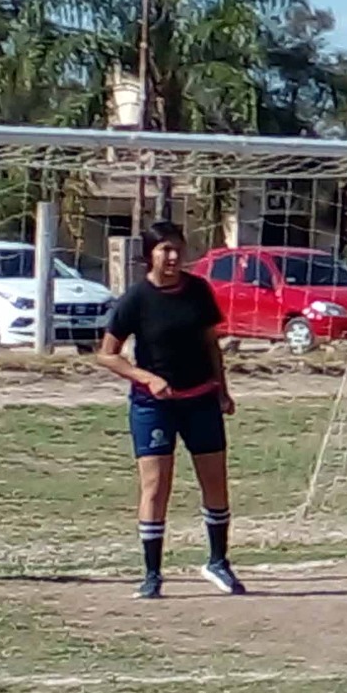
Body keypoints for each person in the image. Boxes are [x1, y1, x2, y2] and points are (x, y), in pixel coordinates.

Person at [96, 221, 244, 600]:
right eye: (165, 249)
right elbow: (107, 355)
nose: (174, 256)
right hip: (154, 406)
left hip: (200, 400)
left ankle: (217, 562)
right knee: (155, 486)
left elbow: (211, 344)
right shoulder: (135, 299)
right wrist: (146, 378)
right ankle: (152, 573)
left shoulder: (198, 291)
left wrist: (222, 392)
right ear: (150, 255)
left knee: (215, 481)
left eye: (178, 248)